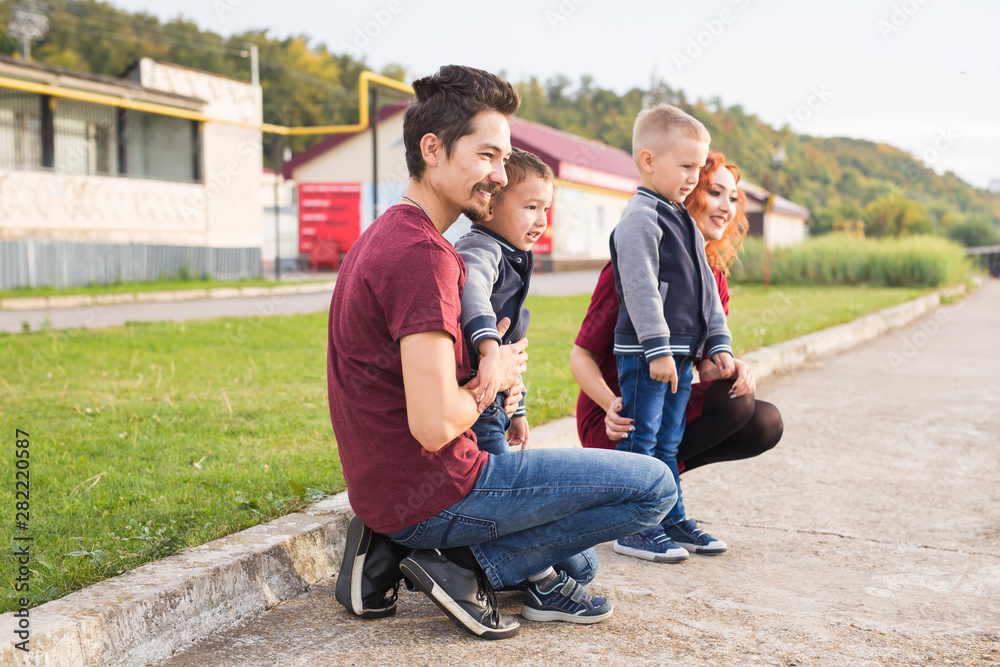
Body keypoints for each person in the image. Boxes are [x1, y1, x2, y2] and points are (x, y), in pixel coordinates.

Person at [327, 65, 676, 641]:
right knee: (655, 487)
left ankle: (392, 547)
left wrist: (499, 390)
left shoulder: (386, 233)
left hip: (389, 493)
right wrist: (498, 370)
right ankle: (461, 567)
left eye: (504, 157)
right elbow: (436, 423)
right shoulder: (423, 256)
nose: (498, 175)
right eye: (486, 156)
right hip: (439, 490)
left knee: (579, 564)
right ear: (432, 150)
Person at [571, 151, 783, 560]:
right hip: (617, 417)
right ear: (685, 193)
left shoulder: (712, 279)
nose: (726, 206)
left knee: (760, 418)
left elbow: (696, 366)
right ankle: (632, 511)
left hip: (667, 401)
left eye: (733, 197)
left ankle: (664, 506)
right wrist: (609, 405)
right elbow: (580, 357)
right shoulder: (637, 266)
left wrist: (730, 365)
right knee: (708, 412)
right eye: (714, 191)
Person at [606, 103, 735, 563]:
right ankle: (633, 527)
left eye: (697, 168)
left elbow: (707, 295)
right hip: (647, 357)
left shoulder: (684, 220)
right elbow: (640, 290)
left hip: (679, 356)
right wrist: (657, 350)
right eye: (685, 166)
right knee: (641, 441)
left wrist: (718, 343)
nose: (692, 178)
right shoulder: (641, 217)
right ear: (648, 160)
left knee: (668, 441)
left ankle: (669, 514)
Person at [454, 147, 552, 454]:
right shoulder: (481, 248)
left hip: (495, 393)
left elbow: (511, 340)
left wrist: (518, 407)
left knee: (498, 469)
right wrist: (490, 349)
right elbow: (472, 289)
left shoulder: (514, 255)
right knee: (495, 476)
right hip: (476, 388)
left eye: (546, 209)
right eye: (531, 207)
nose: (541, 221)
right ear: (490, 207)